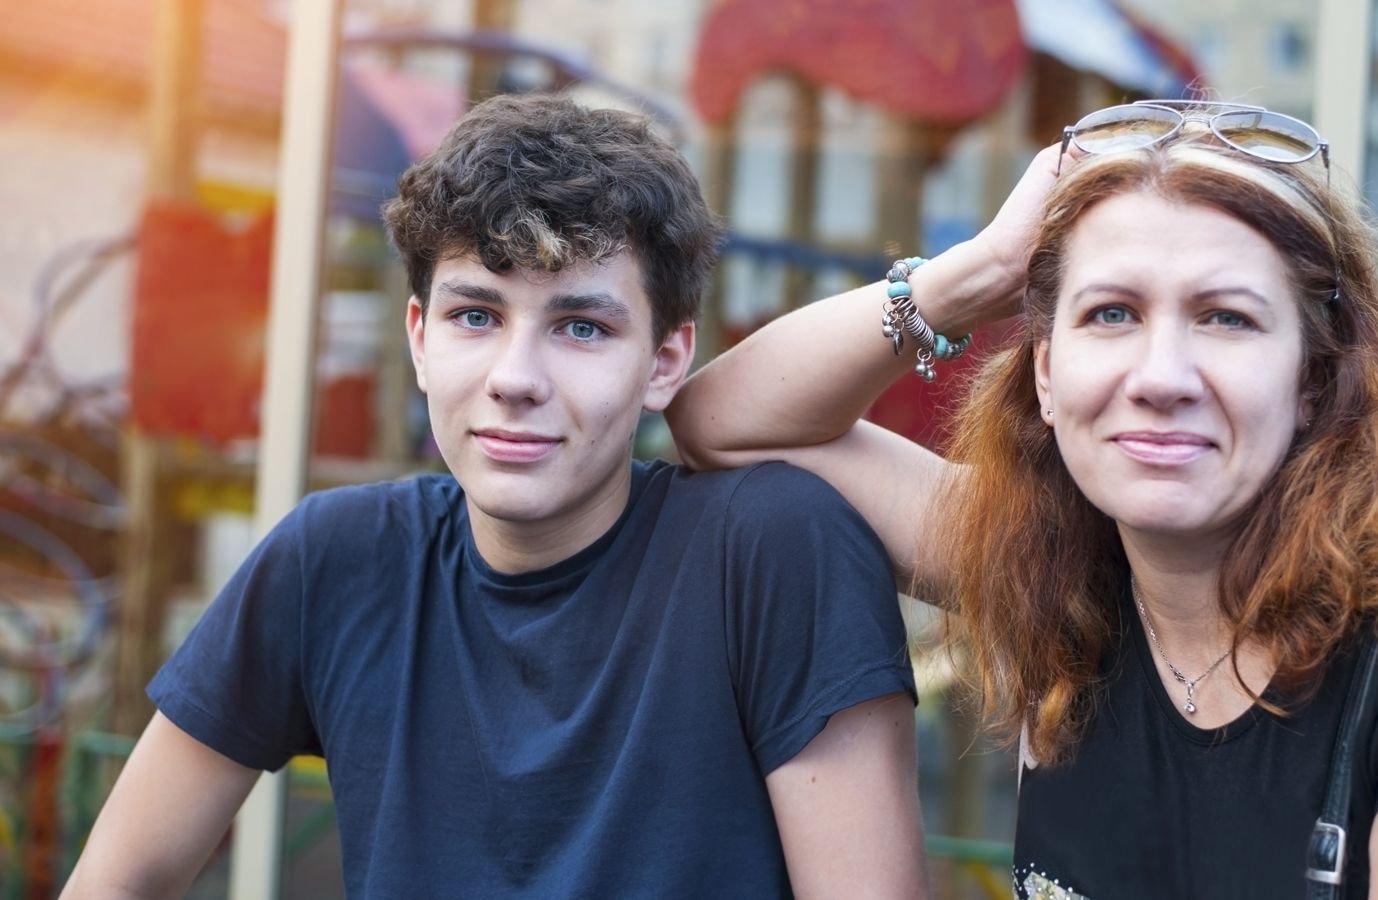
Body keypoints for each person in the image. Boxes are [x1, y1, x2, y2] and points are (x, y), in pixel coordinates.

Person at [666, 99, 1378, 898]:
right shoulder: (1056, 568)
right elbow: (723, 419)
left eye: (1225, 318)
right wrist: (977, 273)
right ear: (1043, 370)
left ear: (1314, 378)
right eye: (1111, 313)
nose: (1161, 376)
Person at [62, 94, 926, 899]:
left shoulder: (772, 548)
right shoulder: (340, 558)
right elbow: (113, 881)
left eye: (581, 327)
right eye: (476, 316)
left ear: (665, 362)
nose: (516, 380)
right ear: (420, 338)